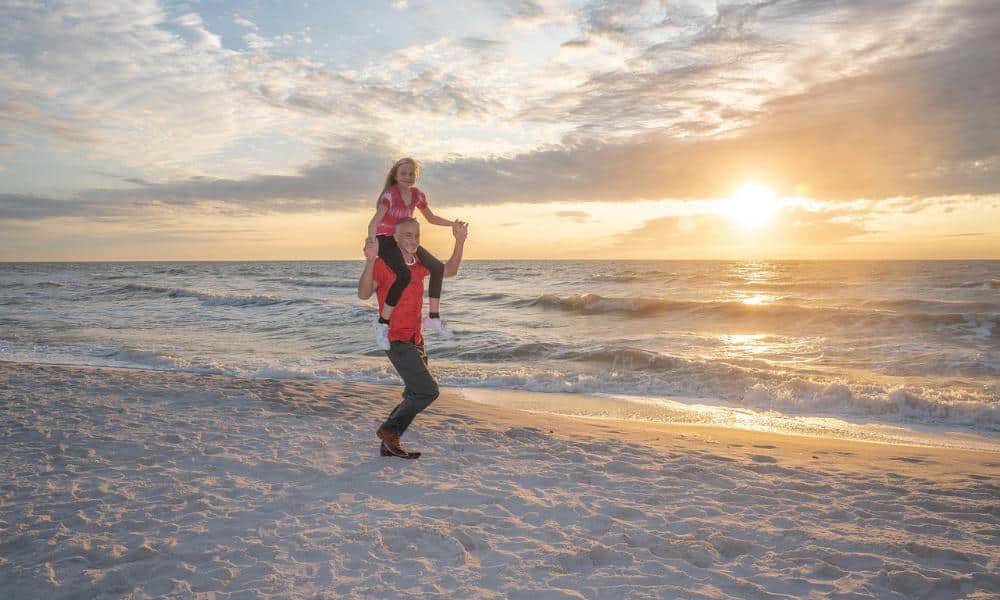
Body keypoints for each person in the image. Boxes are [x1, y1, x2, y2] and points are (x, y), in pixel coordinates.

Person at [358, 216, 469, 458]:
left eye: (417, 235)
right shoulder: (383, 264)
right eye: (407, 235)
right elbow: (364, 293)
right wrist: (369, 261)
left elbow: (449, 270)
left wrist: (459, 241)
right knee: (427, 391)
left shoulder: (419, 263)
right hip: (395, 339)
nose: (413, 240)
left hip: (416, 339)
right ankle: (389, 431)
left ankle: (389, 443)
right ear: (395, 238)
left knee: (413, 392)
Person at [366, 157, 463, 351]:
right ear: (395, 175)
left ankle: (433, 318)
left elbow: (431, 218)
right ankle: (382, 323)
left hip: (406, 241)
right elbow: (373, 223)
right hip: (385, 239)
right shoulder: (390, 194)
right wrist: (372, 243)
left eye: (411, 174)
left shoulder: (417, 195)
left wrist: (453, 224)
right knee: (403, 275)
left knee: (436, 268)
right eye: (403, 173)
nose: (408, 177)